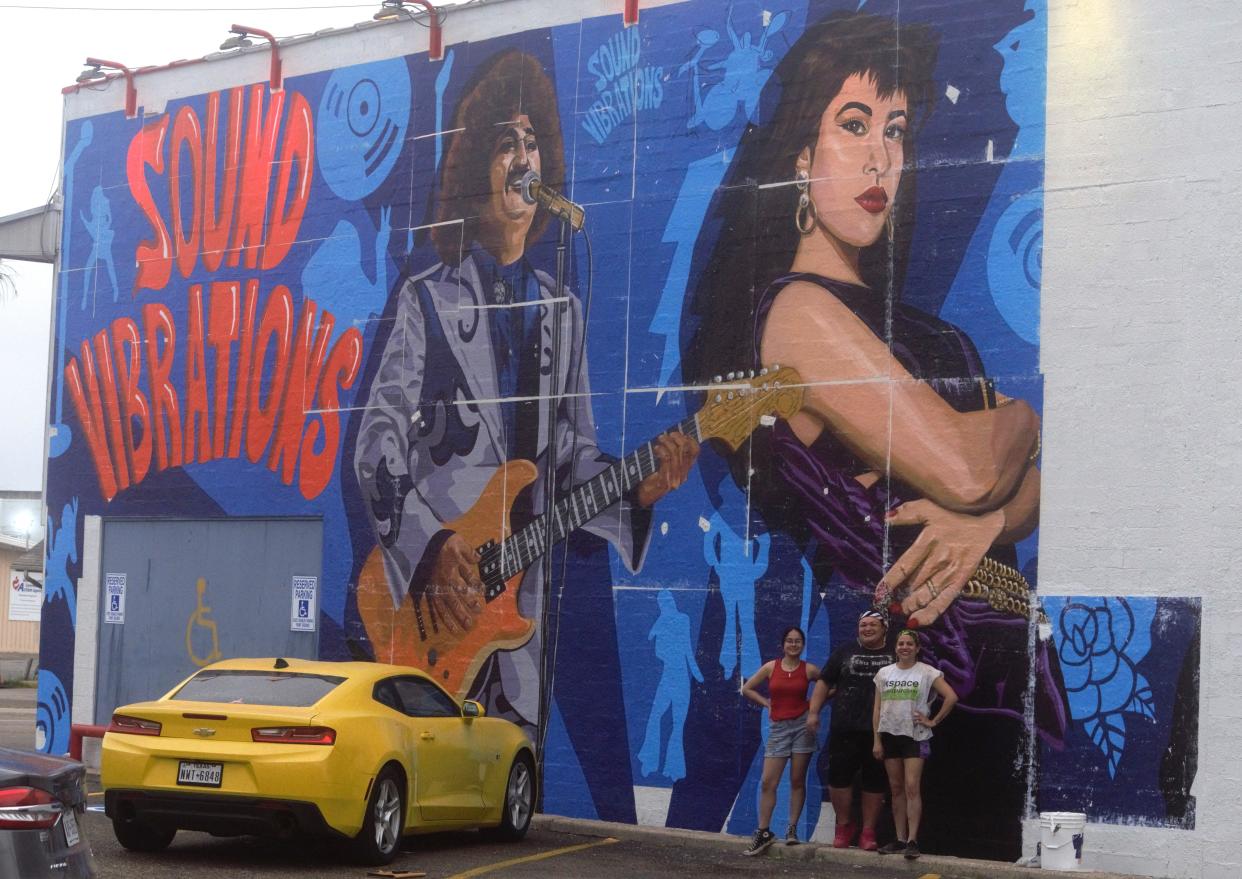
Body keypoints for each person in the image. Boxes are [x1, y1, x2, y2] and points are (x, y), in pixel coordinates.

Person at [681, 9, 1064, 857]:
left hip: (990, 668)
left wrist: (990, 523)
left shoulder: (929, 336)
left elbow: (1013, 488)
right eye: (852, 126)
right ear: (801, 160)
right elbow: (971, 467)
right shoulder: (798, 316)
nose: (881, 156)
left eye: (895, 130)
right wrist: (1022, 424)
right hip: (929, 677)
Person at [354, 49, 698, 734]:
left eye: (532, 141)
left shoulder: (561, 309)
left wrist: (637, 487)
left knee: (505, 774)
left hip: (520, 615)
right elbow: (377, 444)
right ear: (475, 169)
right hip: (434, 604)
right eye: (505, 142)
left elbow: (570, 456)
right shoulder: (426, 300)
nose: (522, 157)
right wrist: (432, 546)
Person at [807, 609, 894, 851]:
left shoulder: (895, 653)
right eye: (863, 625)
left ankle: (868, 831)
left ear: (884, 627)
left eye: (872, 625)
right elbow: (824, 682)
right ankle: (844, 826)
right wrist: (814, 712)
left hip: (881, 731)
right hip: (845, 727)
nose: (867, 629)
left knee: (874, 782)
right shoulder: (844, 651)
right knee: (839, 778)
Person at [872, 629, 958, 859]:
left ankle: (912, 840)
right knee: (896, 788)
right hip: (890, 735)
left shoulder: (928, 672)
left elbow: (951, 697)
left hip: (915, 736)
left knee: (911, 787)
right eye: (901, 643)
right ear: (896, 647)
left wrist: (932, 721)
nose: (904, 647)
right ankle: (899, 839)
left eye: (909, 643)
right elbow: (877, 709)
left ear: (917, 648)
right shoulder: (883, 673)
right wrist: (877, 740)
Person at [740, 626, 821, 855]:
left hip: (803, 728)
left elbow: (828, 686)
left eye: (797, 641)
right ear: (783, 644)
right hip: (778, 729)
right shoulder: (771, 667)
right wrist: (766, 703)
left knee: (797, 780)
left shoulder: (810, 670)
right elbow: (747, 688)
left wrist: (813, 707)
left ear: (802, 645)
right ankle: (764, 831)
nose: (793, 644)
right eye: (789, 641)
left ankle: (792, 829)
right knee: (768, 782)